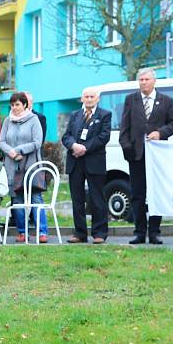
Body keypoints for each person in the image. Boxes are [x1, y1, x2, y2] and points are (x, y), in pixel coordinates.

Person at [119, 67, 173, 244]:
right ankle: (139, 232)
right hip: (136, 155)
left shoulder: (166, 100)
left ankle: (154, 232)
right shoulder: (131, 99)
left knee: (156, 193)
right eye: (141, 80)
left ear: (154, 81)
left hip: (158, 156)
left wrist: (160, 133)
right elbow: (124, 127)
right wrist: (127, 149)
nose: (143, 82)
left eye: (146, 79)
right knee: (137, 194)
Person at [61, 86, 112, 244]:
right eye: (86, 97)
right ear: (81, 99)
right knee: (77, 199)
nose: (89, 99)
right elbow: (66, 136)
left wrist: (85, 148)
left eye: (92, 97)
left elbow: (104, 136)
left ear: (97, 99)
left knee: (97, 198)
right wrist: (74, 146)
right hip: (75, 161)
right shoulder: (75, 115)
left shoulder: (105, 115)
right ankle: (80, 233)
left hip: (94, 161)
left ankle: (99, 233)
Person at [0, 92, 47, 243]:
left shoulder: (34, 120)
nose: (14, 108)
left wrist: (20, 150)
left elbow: (37, 142)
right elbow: (1, 141)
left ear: (25, 105)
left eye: (18, 104)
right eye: (12, 105)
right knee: (17, 199)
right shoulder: (8, 121)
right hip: (12, 165)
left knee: (35, 198)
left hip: (30, 164)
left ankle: (42, 231)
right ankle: (22, 232)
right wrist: (11, 152)